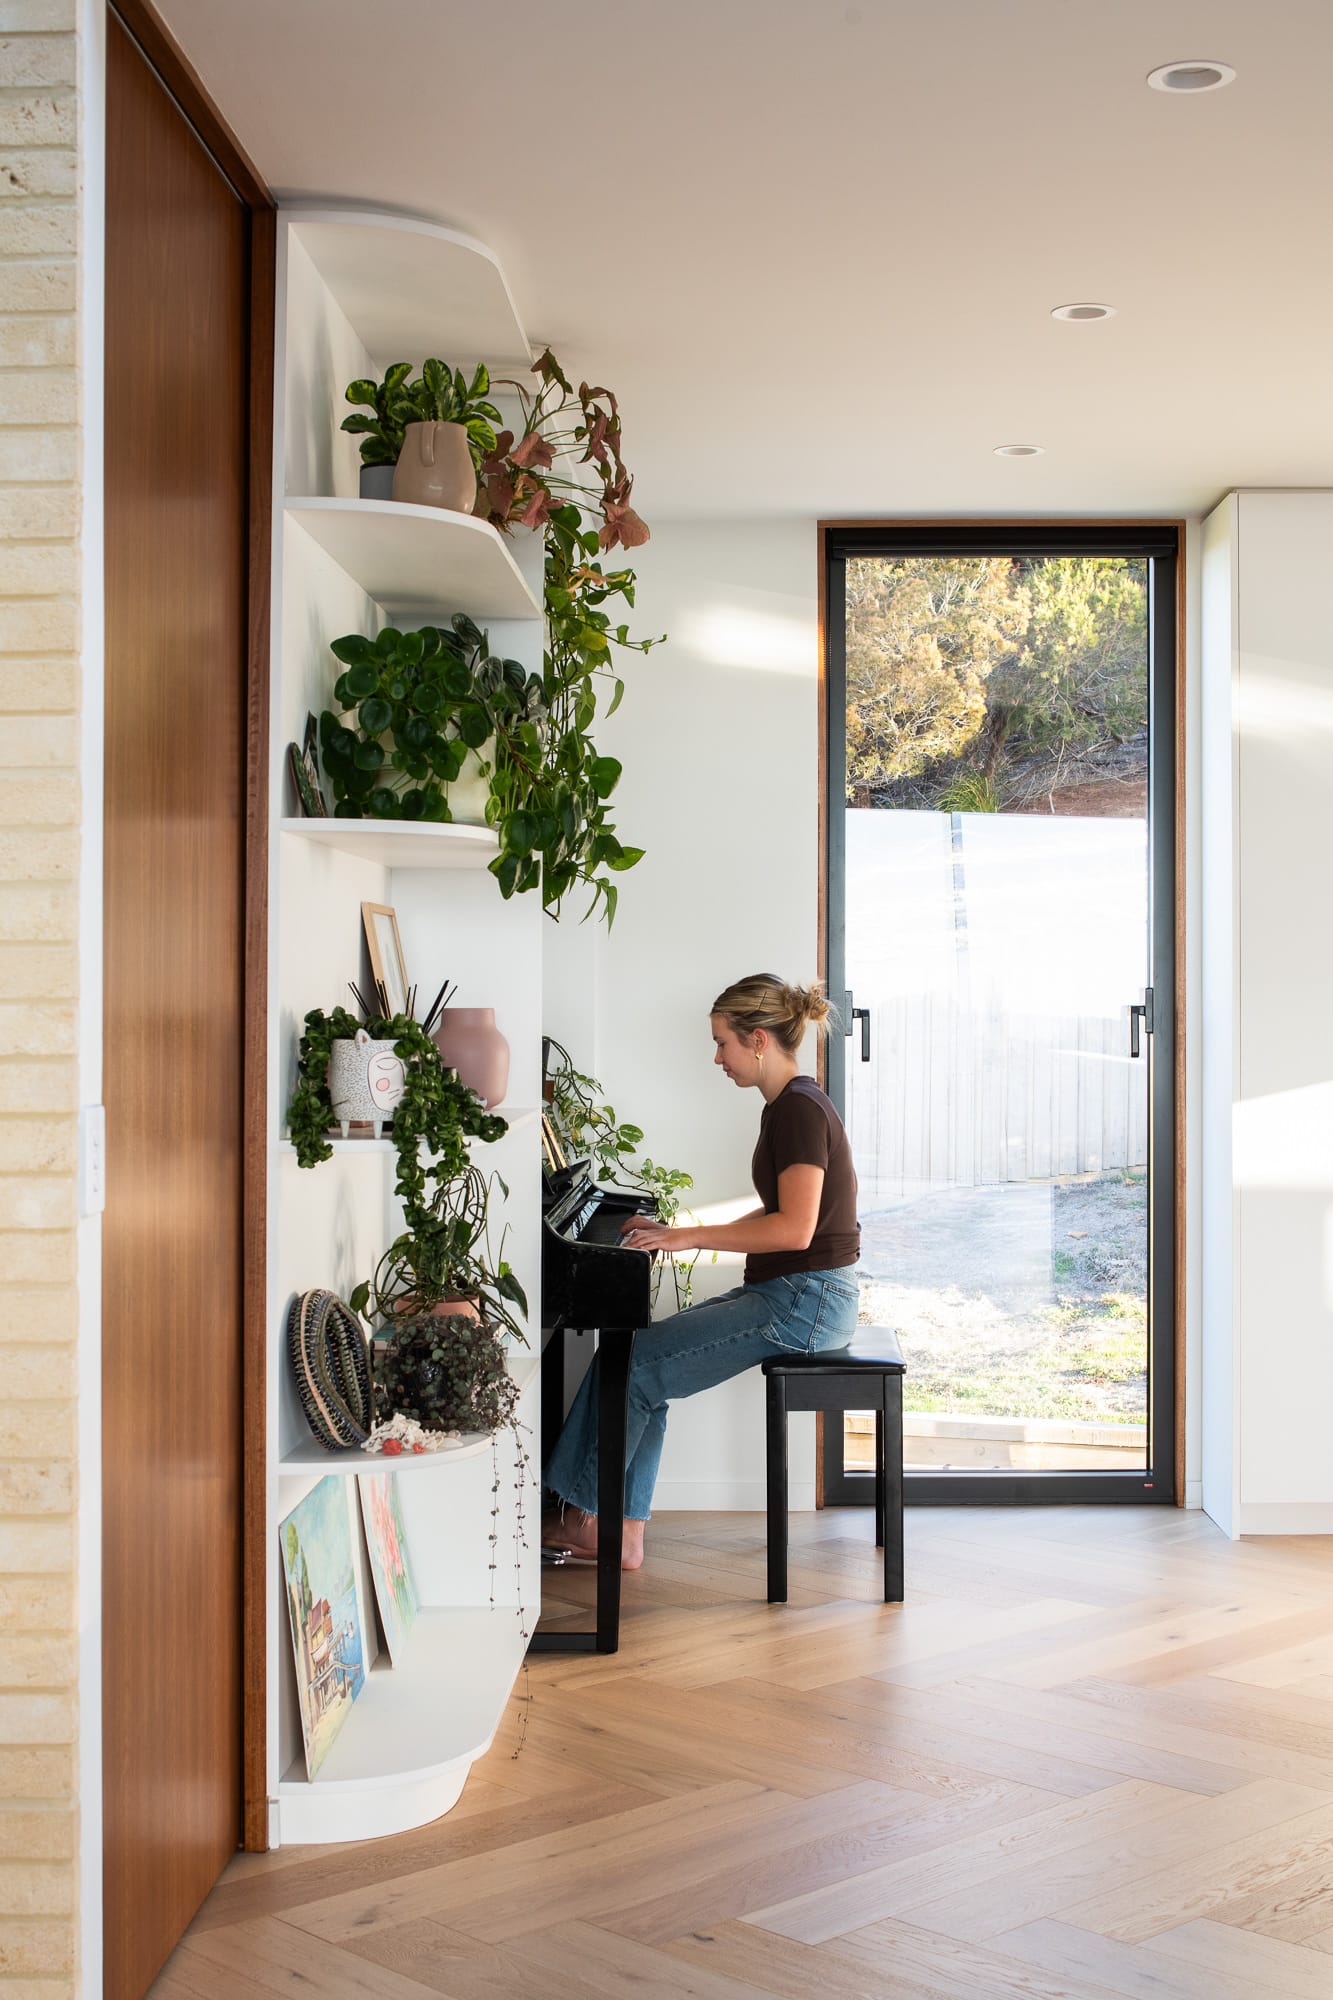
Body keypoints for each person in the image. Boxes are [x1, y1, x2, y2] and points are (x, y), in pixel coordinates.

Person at [543, 972, 861, 1569]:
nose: (717, 1057)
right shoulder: (791, 1105)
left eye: (724, 1043)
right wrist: (677, 1229)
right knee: (640, 1358)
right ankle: (618, 1530)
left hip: (805, 1302)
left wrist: (685, 1237)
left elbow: (794, 1229)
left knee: (635, 1363)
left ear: (759, 1040)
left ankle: (589, 1519)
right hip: (801, 1294)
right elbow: (785, 1210)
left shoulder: (796, 1111)